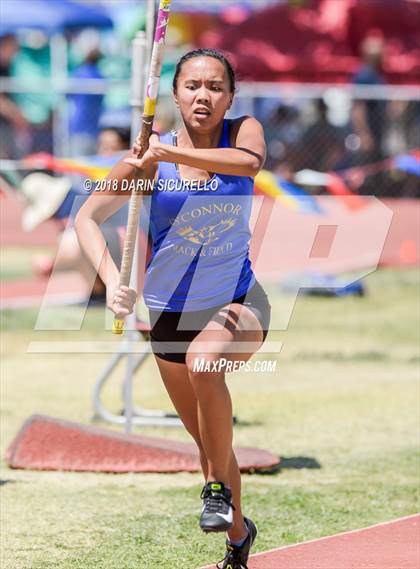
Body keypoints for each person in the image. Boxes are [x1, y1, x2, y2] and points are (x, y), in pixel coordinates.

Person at [75, 48, 271, 569]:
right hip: (166, 315)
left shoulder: (242, 132)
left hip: (237, 301)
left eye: (215, 87)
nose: (203, 96)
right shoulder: (149, 155)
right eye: (192, 86)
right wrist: (112, 278)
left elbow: (249, 166)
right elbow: (87, 216)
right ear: (176, 93)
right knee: (208, 438)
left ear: (230, 96)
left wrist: (170, 157)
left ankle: (212, 489)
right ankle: (238, 536)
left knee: (207, 363)